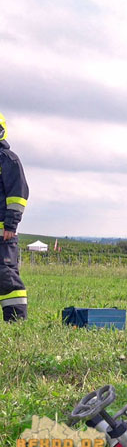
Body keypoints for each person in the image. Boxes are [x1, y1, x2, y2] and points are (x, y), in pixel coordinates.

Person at [0, 111, 29, 322]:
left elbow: (18, 194)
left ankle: (16, 321)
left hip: (3, 233)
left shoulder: (8, 160)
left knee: (6, 277)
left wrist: (11, 225)